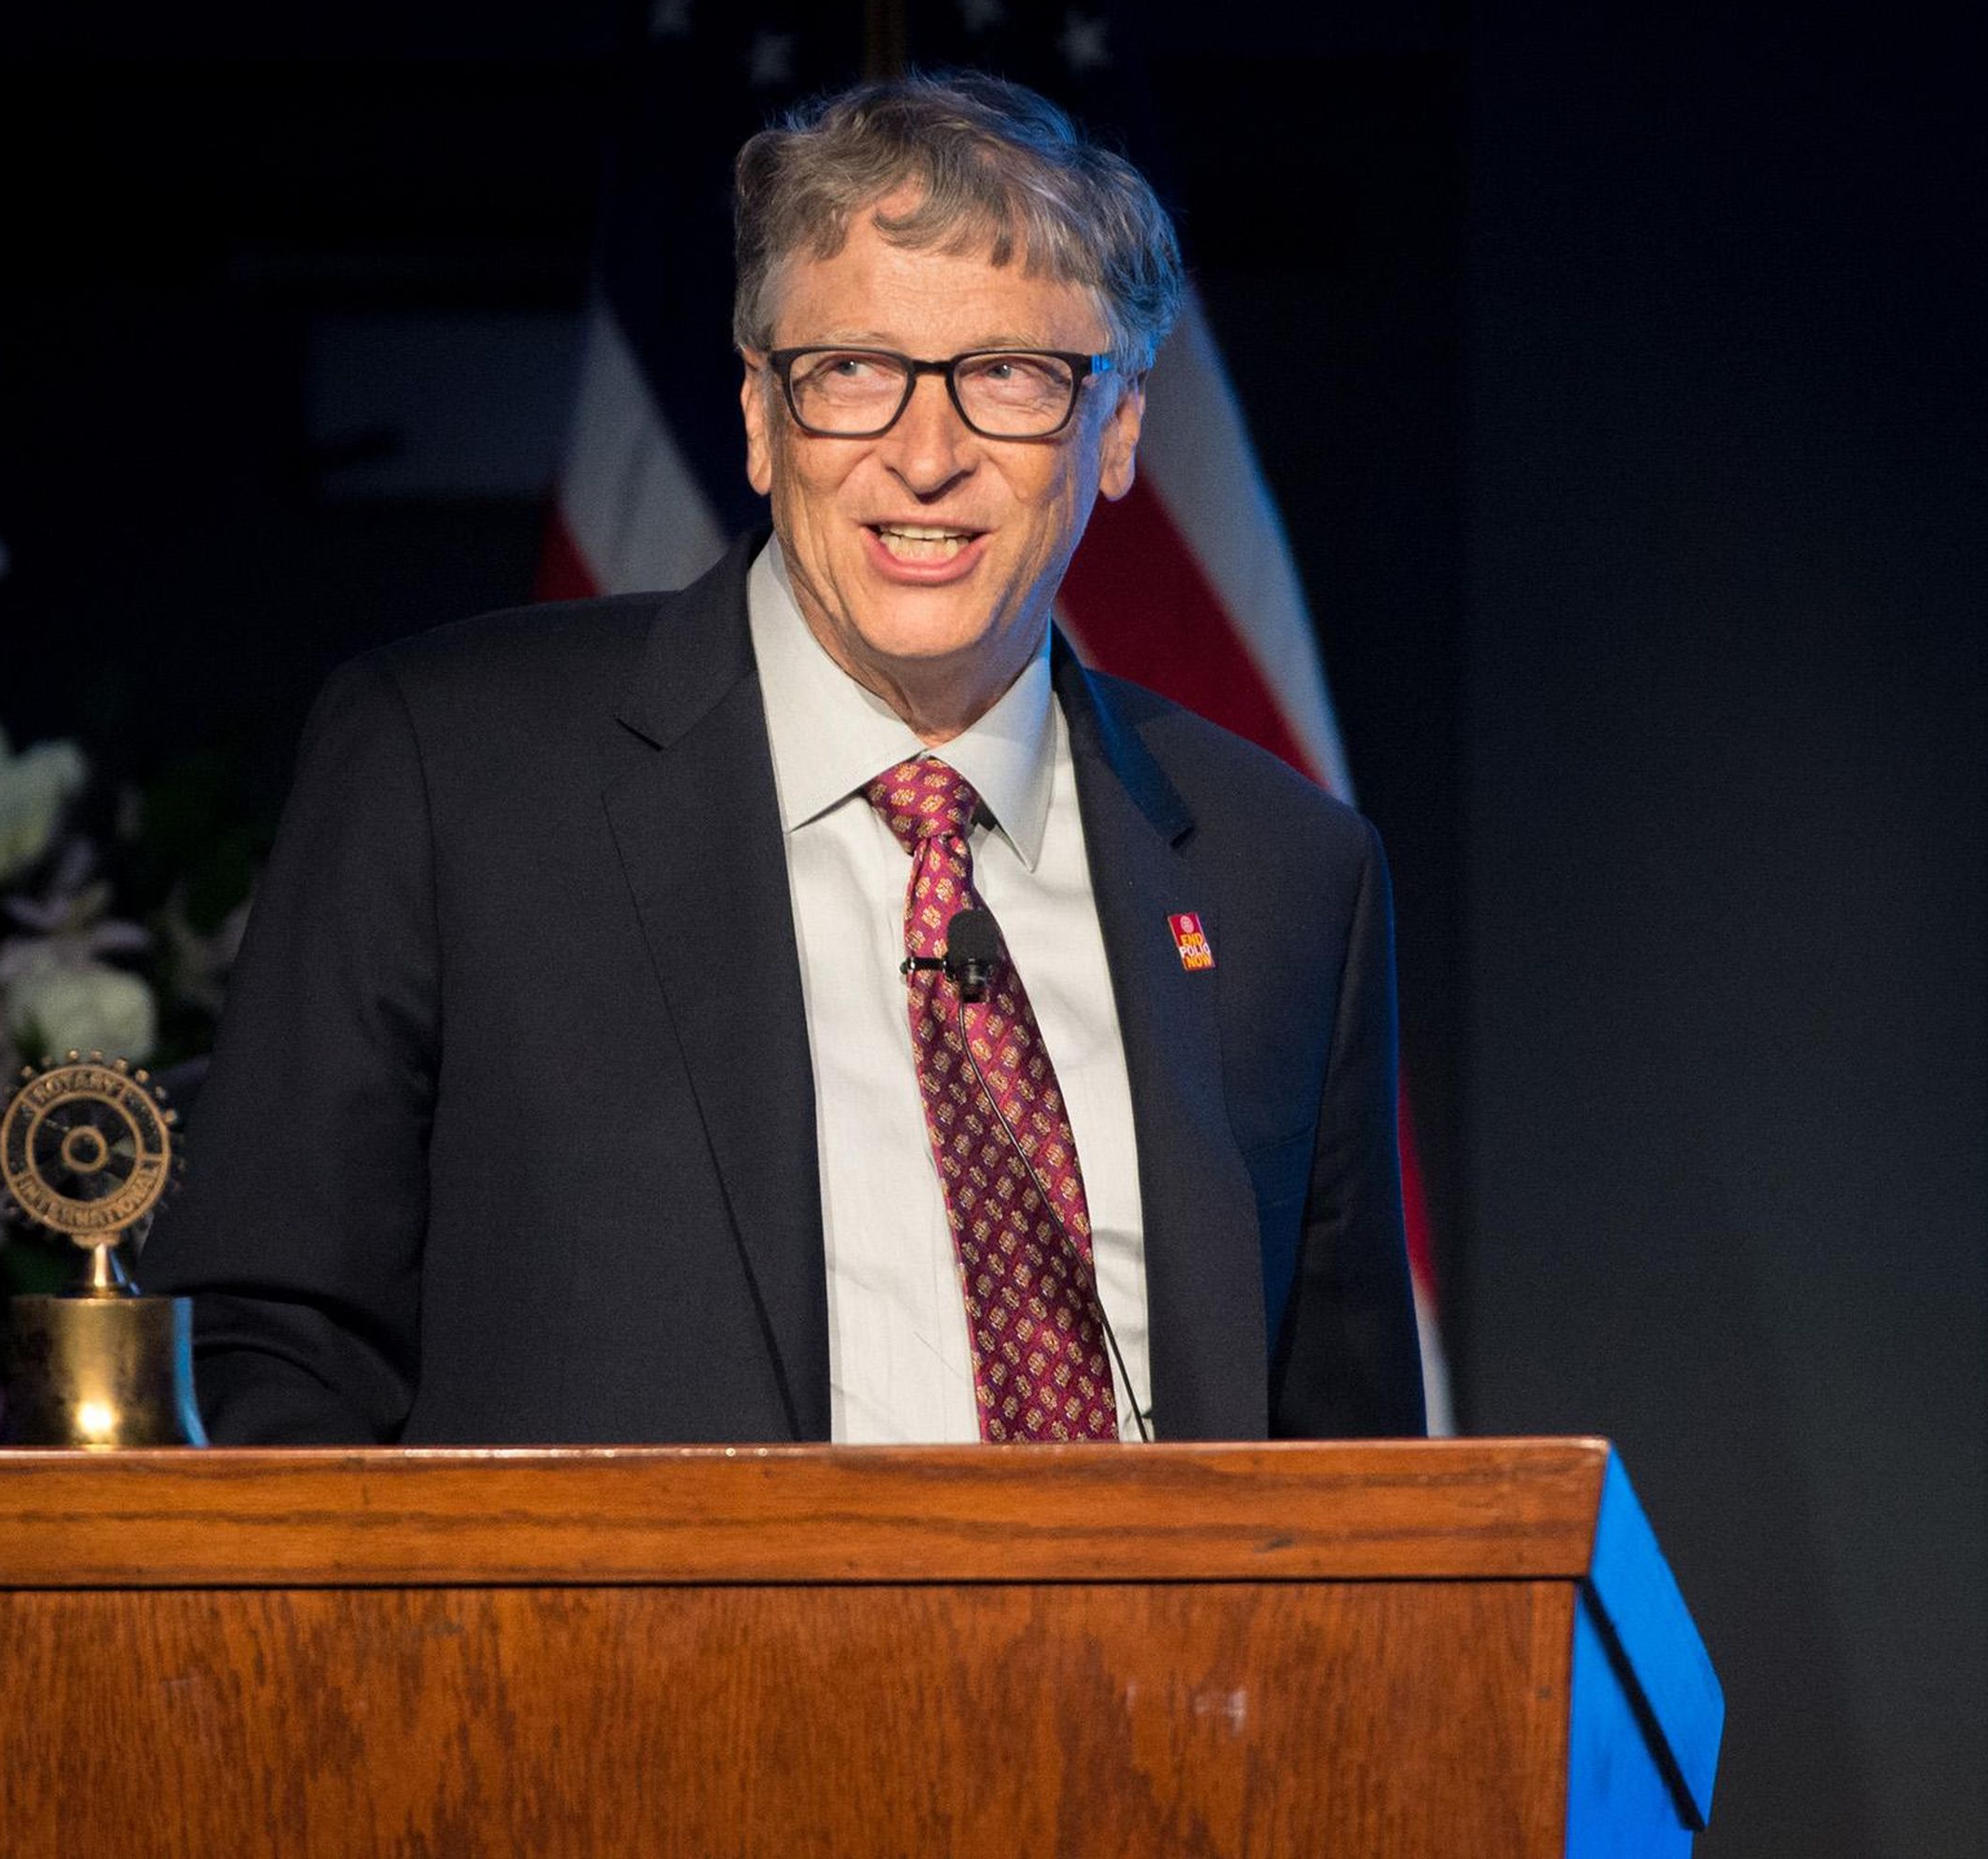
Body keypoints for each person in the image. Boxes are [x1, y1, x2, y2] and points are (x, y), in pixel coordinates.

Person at [137, 75, 1425, 1447]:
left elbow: (1350, 1487)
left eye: (1009, 377)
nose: (925, 456)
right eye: (853, 373)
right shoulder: (449, 776)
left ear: (1113, 433)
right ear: (759, 414)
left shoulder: (1287, 873)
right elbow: (271, 1360)